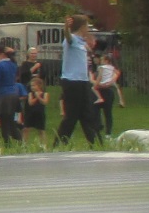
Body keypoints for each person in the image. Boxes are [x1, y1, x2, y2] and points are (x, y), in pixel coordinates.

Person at [53, 13, 103, 146]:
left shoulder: (81, 42)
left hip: (83, 81)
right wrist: (66, 27)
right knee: (71, 115)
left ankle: (94, 142)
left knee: (87, 113)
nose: (88, 28)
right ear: (81, 26)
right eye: (86, 25)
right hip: (72, 81)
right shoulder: (72, 40)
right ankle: (59, 143)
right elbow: (67, 37)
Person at [0, 42, 24, 144]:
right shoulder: (13, 64)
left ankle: (7, 143)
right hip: (13, 94)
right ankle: (20, 142)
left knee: (3, 122)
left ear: (1, 54)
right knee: (11, 121)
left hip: (2, 95)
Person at [95, 49, 123, 135]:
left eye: (102, 59)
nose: (101, 61)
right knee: (108, 113)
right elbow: (118, 73)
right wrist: (111, 80)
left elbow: (99, 77)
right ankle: (108, 133)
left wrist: (96, 83)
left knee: (96, 109)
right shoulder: (112, 68)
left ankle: (98, 127)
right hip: (109, 90)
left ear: (106, 60)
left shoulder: (101, 68)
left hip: (101, 89)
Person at [22, 74, 49, 146]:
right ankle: (24, 144)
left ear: (39, 86)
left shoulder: (45, 94)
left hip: (40, 113)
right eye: (31, 86)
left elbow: (45, 102)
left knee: (41, 130)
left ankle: (43, 145)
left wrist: (39, 97)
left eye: (34, 85)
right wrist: (36, 97)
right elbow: (30, 103)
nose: (32, 87)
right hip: (30, 113)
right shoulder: (30, 94)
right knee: (26, 128)